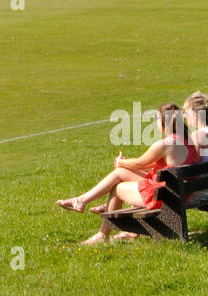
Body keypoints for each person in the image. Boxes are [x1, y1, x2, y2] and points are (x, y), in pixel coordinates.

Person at [55, 103, 197, 245]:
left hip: (164, 197)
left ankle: (102, 234)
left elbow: (139, 163)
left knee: (118, 188)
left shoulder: (165, 144)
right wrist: (123, 165)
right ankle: (81, 200)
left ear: (163, 122)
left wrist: (121, 162)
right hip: (178, 193)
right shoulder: (188, 141)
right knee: (121, 173)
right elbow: (153, 166)